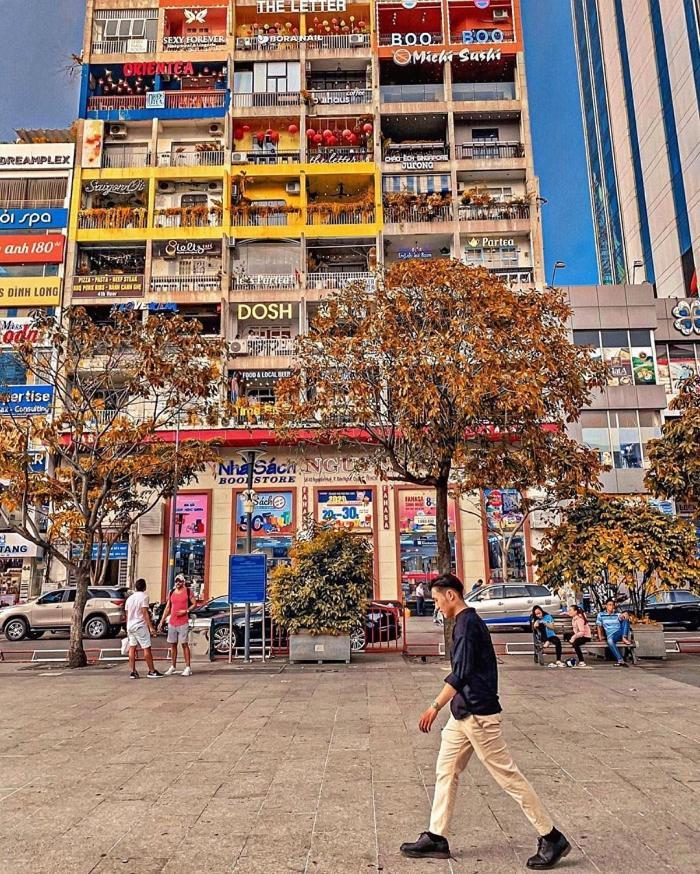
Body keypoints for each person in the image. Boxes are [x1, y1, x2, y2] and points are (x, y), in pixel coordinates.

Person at [400, 574, 570, 868]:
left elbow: (461, 672)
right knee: (446, 769)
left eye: (438, 600)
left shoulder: (467, 625)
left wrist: (433, 706)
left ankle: (552, 837)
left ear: (451, 596)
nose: (437, 606)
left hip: (479, 714)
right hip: (463, 712)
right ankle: (436, 836)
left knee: (508, 777)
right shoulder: (465, 622)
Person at [158, 575, 196, 676]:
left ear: (183, 582)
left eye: (179, 581)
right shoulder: (171, 592)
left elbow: (194, 604)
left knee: (184, 644)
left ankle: (188, 667)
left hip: (183, 621)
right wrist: (162, 621)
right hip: (172, 622)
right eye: (176, 581)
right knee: (173, 644)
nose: (177, 583)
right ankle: (173, 666)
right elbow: (168, 607)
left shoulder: (188, 591)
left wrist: (186, 611)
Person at [125, 579, 162, 680]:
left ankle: (132, 671)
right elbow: (145, 612)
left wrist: (127, 626)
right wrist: (151, 627)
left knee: (132, 647)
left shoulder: (129, 599)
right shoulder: (144, 597)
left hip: (130, 625)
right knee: (146, 647)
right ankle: (151, 670)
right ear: (144, 587)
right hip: (140, 625)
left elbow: (127, 613)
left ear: (136, 587)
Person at [596, 599, 632, 666]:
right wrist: (600, 636)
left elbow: (623, 618)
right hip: (611, 634)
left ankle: (624, 637)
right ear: (606, 606)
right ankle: (620, 660)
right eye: (609, 605)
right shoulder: (601, 615)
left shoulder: (617, 614)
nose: (611, 606)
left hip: (619, 632)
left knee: (626, 619)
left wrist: (625, 614)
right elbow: (599, 626)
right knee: (610, 641)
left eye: (613, 605)